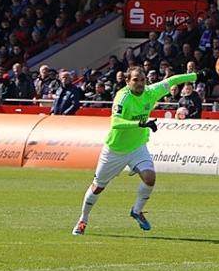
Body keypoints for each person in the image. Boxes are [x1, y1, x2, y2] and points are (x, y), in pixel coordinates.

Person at [72, 67, 198, 236]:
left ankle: (137, 211)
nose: (139, 84)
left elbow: (173, 80)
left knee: (150, 177)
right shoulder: (123, 97)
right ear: (127, 81)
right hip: (115, 150)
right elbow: (115, 122)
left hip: (137, 147)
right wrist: (140, 124)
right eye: (135, 80)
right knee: (97, 187)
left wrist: (197, 75)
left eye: (142, 80)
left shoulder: (151, 92)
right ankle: (83, 220)